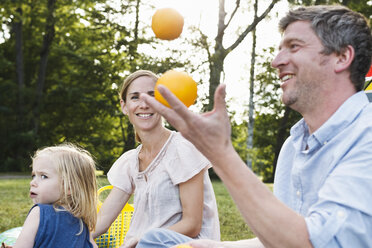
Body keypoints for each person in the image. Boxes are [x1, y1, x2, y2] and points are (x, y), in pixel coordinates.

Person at [137, 5, 372, 248]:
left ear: (342, 57)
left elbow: (318, 243)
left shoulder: (366, 135)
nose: (276, 61)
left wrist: (220, 153)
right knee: (157, 240)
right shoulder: (293, 146)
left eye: (294, 46)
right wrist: (211, 246)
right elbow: (279, 237)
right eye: (280, 49)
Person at [92, 70, 220, 248]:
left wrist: (141, 239)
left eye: (152, 96)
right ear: (124, 106)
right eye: (135, 97)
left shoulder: (183, 148)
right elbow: (103, 219)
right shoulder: (130, 161)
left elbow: (192, 224)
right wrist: (77, 237)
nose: (144, 104)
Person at [11, 143, 98, 248]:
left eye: (43, 176)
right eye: (34, 175)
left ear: (69, 187)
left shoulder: (39, 213)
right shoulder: (81, 221)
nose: (32, 182)